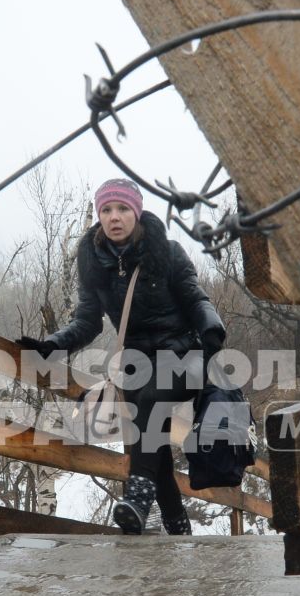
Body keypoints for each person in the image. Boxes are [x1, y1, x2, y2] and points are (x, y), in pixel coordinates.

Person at [17, 179, 226, 535]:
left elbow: (195, 298)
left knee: (149, 399)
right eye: (106, 210)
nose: (115, 217)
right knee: (151, 436)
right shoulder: (95, 264)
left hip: (185, 356)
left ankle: (138, 494)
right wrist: (52, 345)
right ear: (99, 216)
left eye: (123, 209)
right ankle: (177, 523)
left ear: (137, 212)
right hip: (137, 363)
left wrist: (211, 329)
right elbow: (86, 322)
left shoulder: (168, 252)